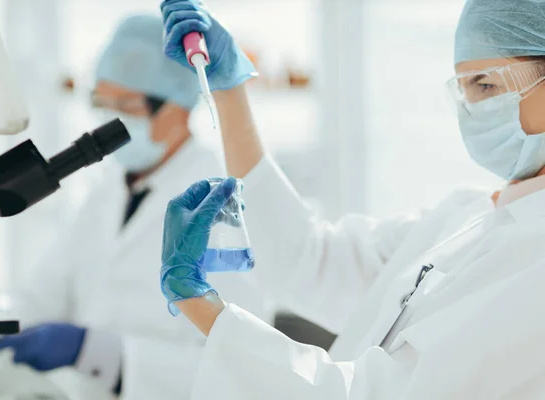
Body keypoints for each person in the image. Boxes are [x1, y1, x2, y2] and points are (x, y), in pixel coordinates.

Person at [158, 0, 545, 398]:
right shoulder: (466, 217)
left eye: (485, 84)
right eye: (463, 90)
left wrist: (197, 302)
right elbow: (307, 261)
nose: (471, 112)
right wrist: (229, 91)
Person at [0, 14, 271, 400]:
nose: (110, 120)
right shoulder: (106, 190)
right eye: (101, 102)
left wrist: (99, 352)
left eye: (127, 105)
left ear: (177, 107)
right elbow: (45, 294)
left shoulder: (225, 202)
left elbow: (243, 364)